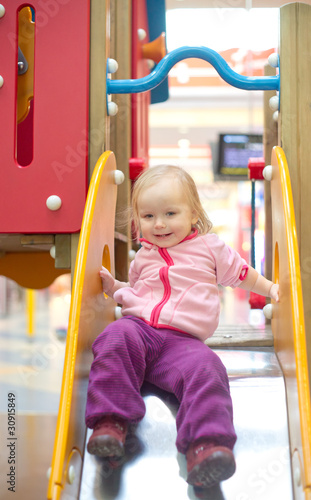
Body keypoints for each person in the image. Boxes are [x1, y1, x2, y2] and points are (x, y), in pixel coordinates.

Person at [85, 165, 279, 489]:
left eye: (170, 213)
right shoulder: (142, 258)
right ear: (137, 221)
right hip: (140, 330)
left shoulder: (209, 247)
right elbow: (137, 291)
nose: (159, 224)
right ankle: (110, 422)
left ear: (193, 214)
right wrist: (113, 285)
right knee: (114, 337)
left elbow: (243, 274)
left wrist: (270, 288)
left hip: (183, 344)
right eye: (148, 216)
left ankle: (206, 446)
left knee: (208, 368)